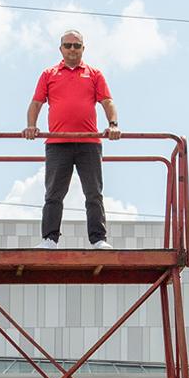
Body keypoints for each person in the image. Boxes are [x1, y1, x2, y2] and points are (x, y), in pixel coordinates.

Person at [23, 29, 121, 248]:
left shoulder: (94, 74)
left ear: (83, 49)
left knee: (93, 193)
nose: (72, 50)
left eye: (77, 46)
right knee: (54, 194)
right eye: (68, 45)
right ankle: (49, 239)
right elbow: (36, 103)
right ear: (61, 49)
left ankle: (98, 240)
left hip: (89, 143)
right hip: (58, 143)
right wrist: (31, 126)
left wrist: (113, 125)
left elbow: (107, 101)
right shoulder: (49, 74)